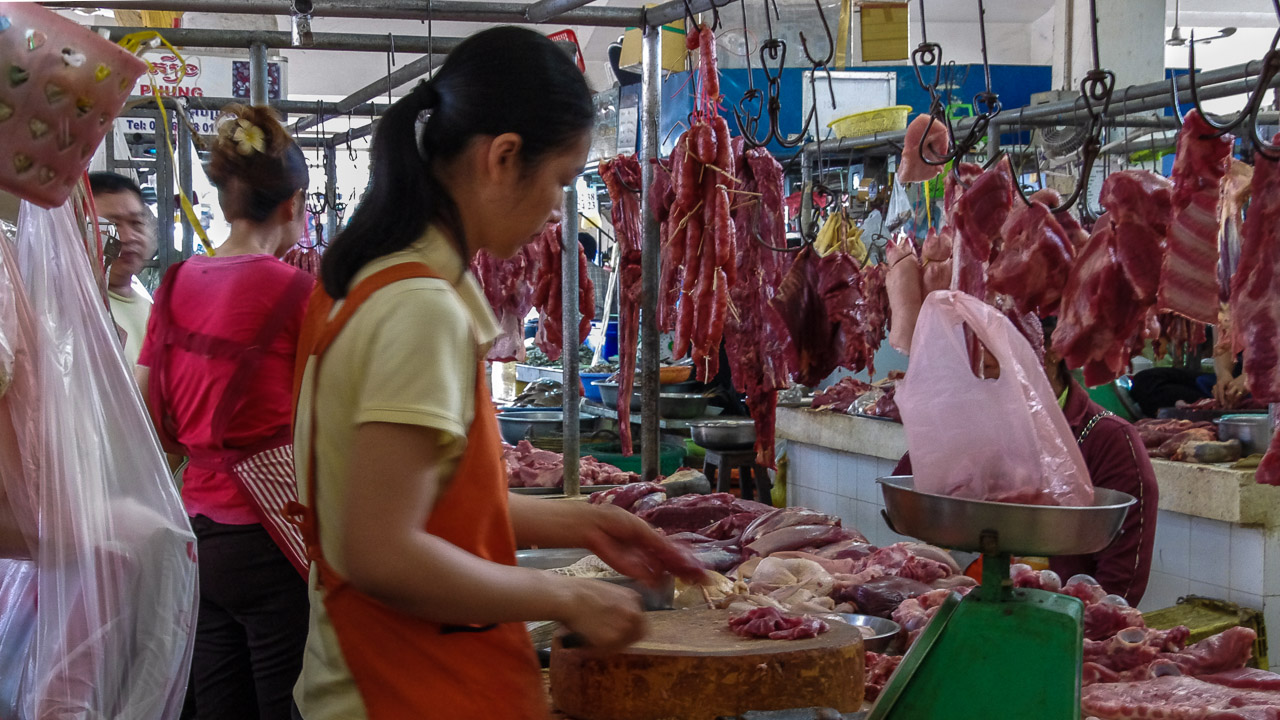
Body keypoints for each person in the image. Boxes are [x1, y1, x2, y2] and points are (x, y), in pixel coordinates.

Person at [291, 27, 700, 719]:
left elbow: (421, 505)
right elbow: (380, 553)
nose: (552, 213)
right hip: (399, 691)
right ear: (503, 157)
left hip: (377, 679)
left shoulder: (367, 277)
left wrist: (583, 525)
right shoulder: (419, 307)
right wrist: (567, 595)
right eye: (559, 182)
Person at [137, 105, 312, 720]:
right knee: (285, 701)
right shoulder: (297, 291)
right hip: (271, 532)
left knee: (217, 701)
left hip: (197, 527)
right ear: (292, 204)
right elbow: (326, 411)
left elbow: (147, 400)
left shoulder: (177, 280)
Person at [896, 318, 1158, 605]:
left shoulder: (1109, 439)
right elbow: (912, 493)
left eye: (1001, 341)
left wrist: (1085, 630)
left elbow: (1119, 583)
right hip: (957, 606)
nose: (982, 360)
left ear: (1055, 349)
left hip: (1052, 619)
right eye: (975, 344)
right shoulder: (971, 424)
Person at [89, 172, 158, 365]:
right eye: (111, 225)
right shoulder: (75, 311)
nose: (128, 237)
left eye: (136, 223)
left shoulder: (154, 313)